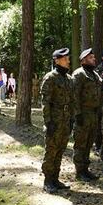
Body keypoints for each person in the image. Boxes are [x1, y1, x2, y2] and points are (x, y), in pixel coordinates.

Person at [40, 48, 75, 193]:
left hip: (65, 120)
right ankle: (48, 180)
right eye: (65, 59)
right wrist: (48, 122)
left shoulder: (68, 79)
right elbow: (45, 102)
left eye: (68, 58)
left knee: (60, 149)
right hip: (54, 120)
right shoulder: (50, 78)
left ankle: (55, 178)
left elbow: (72, 101)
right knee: (51, 150)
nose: (68, 61)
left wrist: (72, 118)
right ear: (57, 60)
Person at [72, 48, 101, 181]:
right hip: (83, 113)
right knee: (81, 143)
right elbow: (75, 96)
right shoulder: (79, 74)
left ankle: (85, 169)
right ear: (83, 60)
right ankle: (79, 171)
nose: (94, 59)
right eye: (91, 58)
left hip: (94, 114)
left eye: (94, 57)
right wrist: (77, 114)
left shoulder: (95, 74)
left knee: (89, 142)